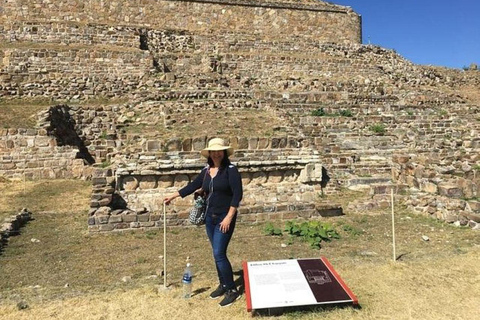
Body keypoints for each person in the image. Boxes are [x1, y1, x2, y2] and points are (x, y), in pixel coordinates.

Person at [164, 138, 243, 307]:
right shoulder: (207, 170)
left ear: (224, 153)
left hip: (224, 217)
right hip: (210, 217)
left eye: (219, 151)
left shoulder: (231, 170)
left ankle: (232, 290)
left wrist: (229, 217)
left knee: (219, 253)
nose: (216, 154)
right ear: (209, 153)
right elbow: (194, 185)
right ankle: (223, 284)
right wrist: (173, 195)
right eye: (213, 151)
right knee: (216, 253)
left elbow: (237, 195)